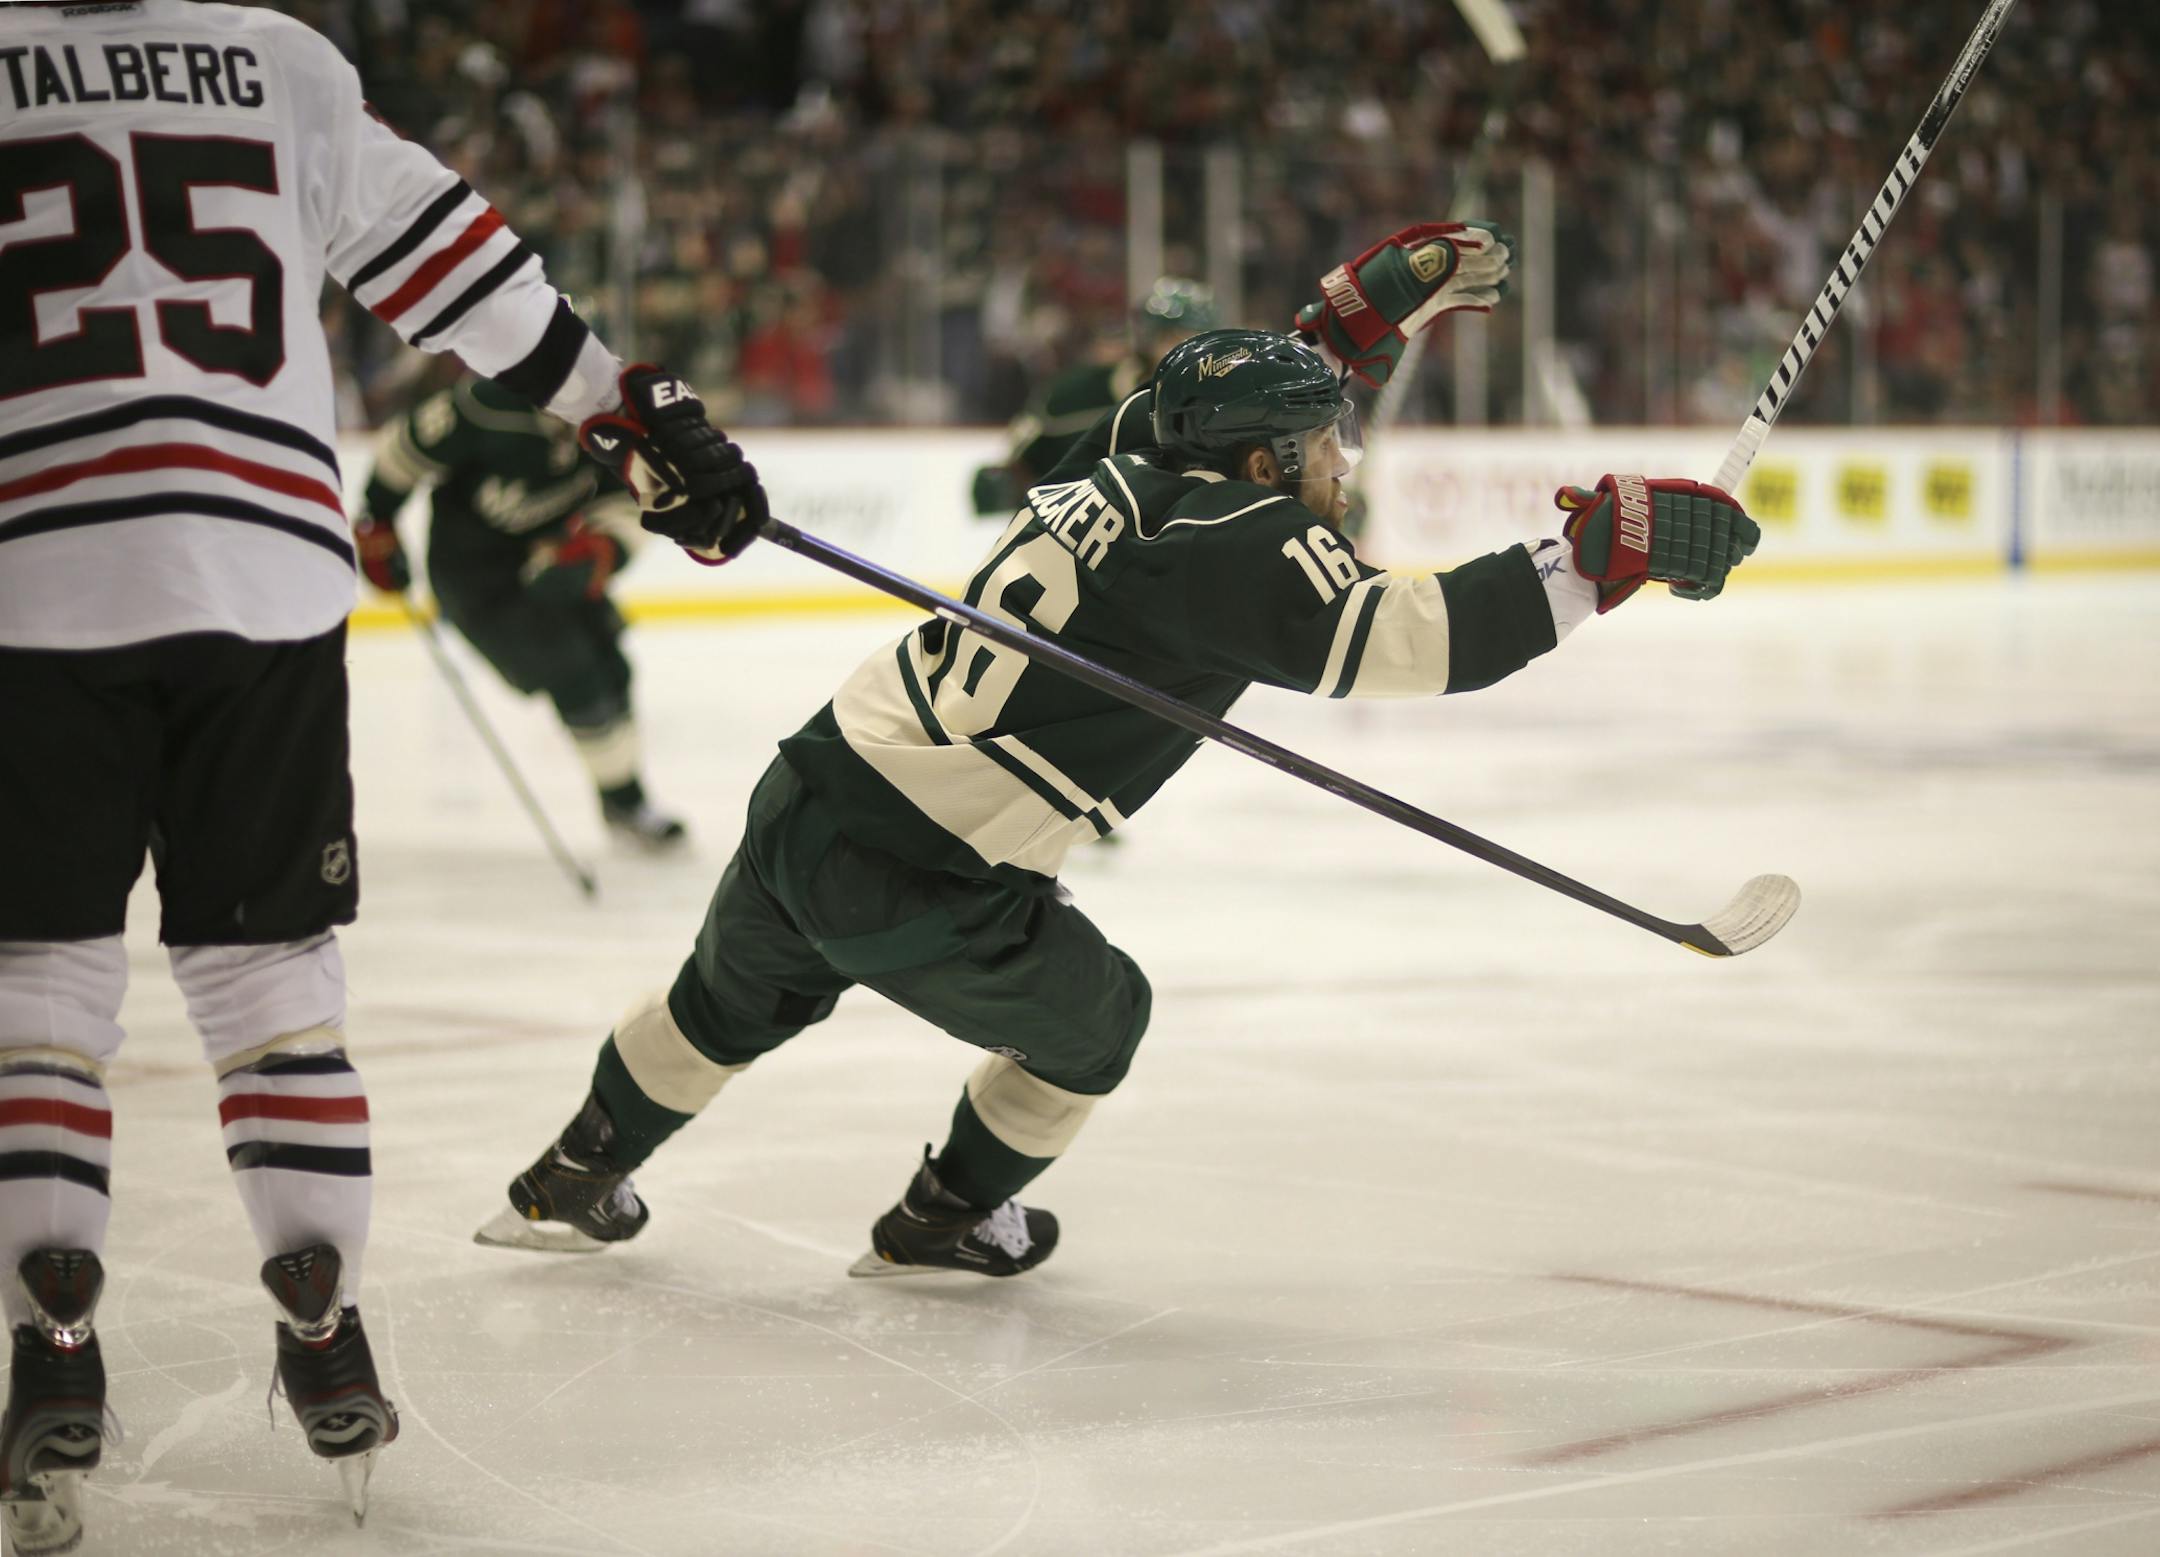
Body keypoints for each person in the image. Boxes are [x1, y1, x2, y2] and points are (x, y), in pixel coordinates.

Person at [476, 223, 1759, 1280]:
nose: (1341, 461)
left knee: (722, 1004)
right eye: (1323, 447)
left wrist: (1373, 313)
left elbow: (1236, 385)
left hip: (811, 786)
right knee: (1099, 1020)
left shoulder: (1134, 450)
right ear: (1263, 466)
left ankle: (569, 1174)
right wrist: (1599, 557)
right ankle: (943, 1216)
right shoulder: (1247, 544)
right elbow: (1417, 638)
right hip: (927, 873)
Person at [0, 2, 762, 1546]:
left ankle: (52, 1342)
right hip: (267, 572)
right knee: (272, 979)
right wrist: (627, 406)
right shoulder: (274, 58)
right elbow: (463, 275)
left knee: (40, 985)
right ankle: (322, 1311)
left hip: (34, 581)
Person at [353, 372, 689, 850]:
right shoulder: (481, 409)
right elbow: (403, 452)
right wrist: (377, 520)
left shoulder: (621, 419)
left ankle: (625, 803)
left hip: (548, 561)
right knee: (576, 674)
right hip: (475, 582)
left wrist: (601, 547)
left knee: (612, 670)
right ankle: (627, 803)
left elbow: (638, 500)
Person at [971, 277, 1218, 517]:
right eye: (1172, 337)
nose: (1184, 350)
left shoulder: (1225, 407)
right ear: (1146, 340)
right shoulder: (1073, 396)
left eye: (1196, 340)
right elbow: (1015, 470)